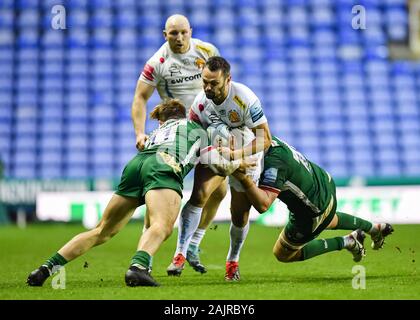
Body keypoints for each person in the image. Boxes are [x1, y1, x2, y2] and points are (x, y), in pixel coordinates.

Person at [26, 99, 211, 287]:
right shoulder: (196, 129)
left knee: (101, 230)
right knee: (162, 225)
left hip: (135, 165)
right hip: (164, 163)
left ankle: (45, 268)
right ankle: (138, 267)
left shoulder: (157, 131)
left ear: (162, 121)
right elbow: (217, 161)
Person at [132, 14, 224, 273]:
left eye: (184, 32)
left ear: (190, 31)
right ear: (165, 35)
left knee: (218, 190)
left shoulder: (207, 50)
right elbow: (140, 98)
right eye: (174, 33)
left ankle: (191, 246)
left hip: (207, 128)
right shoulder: (157, 62)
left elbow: (222, 82)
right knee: (159, 196)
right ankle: (144, 258)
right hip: (179, 132)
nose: (180, 38)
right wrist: (140, 133)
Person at [167, 56, 273, 281]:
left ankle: (232, 261)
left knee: (239, 215)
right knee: (199, 194)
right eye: (204, 81)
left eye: (213, 83)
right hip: (217, 151)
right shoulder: (200, 103)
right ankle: (180, 254)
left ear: (228, 80)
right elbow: (193, 131)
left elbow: (265, 139)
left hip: (245, 154)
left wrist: (236, 156)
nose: (207, 87)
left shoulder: (244, 99)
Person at [228, 136, 394, 266]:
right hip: (324, 182)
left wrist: (243, 177)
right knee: (328, 218)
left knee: (282, 253)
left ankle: (346, 241)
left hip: (313, 211)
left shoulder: (274, 164)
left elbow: (263, 205)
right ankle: (374, 228)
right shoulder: (268, 141)